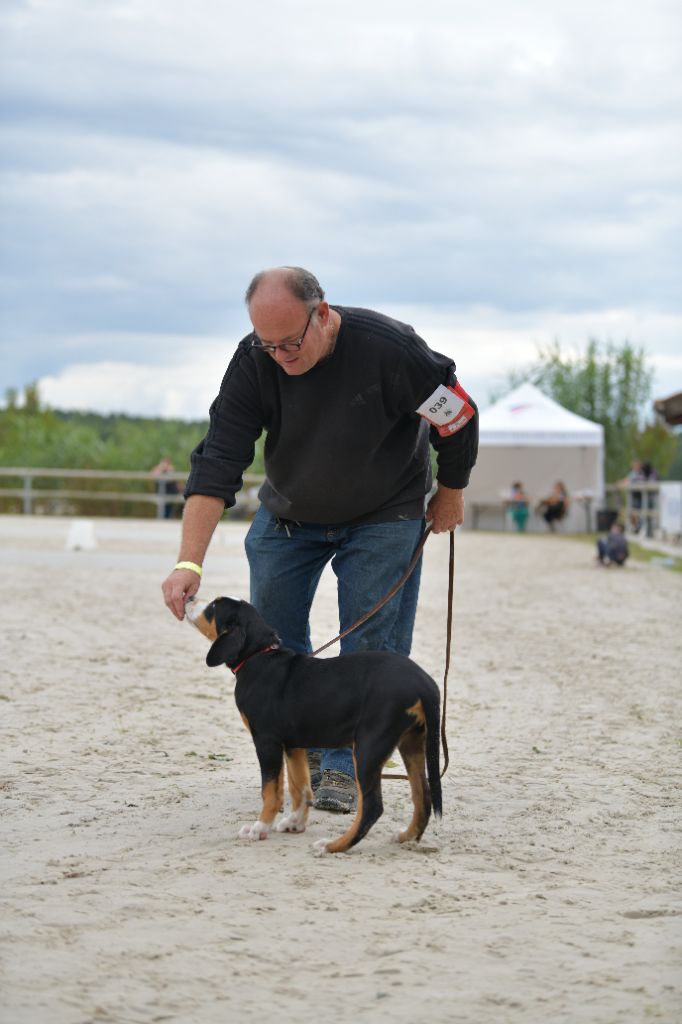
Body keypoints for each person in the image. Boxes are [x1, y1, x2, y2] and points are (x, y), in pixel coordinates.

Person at [161, 266, 479, 813]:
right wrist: (189, 561)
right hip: (290, 514)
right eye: (269, 344)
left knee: (370, 642)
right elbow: (217, 461)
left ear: (323, 314)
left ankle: (346, 769)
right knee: (271, 644)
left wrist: (450, 492)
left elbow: (458, 417)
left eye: (290, 342)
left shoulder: (392, 351)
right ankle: (299, 768)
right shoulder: (253, 361)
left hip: (386, 512)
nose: (280, 356)